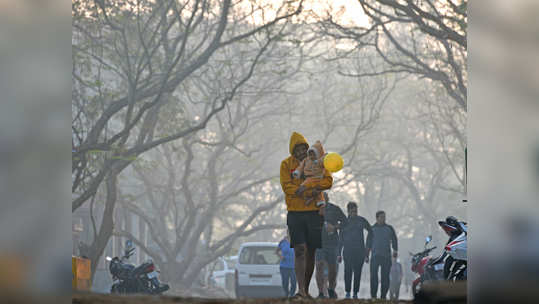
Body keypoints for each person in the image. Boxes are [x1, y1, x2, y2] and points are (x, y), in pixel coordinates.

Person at [280, 132, 333, 299]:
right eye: (298, 149)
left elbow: (328, 180)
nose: (301, 152)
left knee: (311, 251)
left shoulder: (317, 161)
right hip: (295, 213)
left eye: (304, 148)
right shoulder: (286, 165)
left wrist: (315, 189)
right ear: (292, 150)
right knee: (300, 250)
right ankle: (300, 289)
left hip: (313, 213)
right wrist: (301, 192)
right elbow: (286, 186)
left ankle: (306, 289)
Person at [314, 193, 347, 299]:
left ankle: (331, 290)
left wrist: (334, 227)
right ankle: (320, 293)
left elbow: (345, 222)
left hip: (332, 243)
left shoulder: (335, 209)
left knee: (333, 269)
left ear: (327, 199)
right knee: (319, 266)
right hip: (319, 243)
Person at [341, 201, 372, 299]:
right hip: (347, 251)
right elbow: (340, 238)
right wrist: (338, 253)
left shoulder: (361, 220)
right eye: (353, 211)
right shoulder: (344, 222)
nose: (355, 213)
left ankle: (355, 293)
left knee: (358, 272)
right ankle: (347, 292)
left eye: (356, 211)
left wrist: (367, 248)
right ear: (348, 211)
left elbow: (371, 232)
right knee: (348, 272)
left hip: (360, 252)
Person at [366, 210, 398, 299]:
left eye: (384, 217)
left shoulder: (389, 228)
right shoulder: (371, 229)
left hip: (386, 257)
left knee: (385, 278)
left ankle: (383, 295)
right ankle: (373, 296)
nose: (383, 219)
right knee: (373, 277)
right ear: (377, 218)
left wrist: (395, 250)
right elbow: (368, 243)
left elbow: (394, 240)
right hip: (375, 256)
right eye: (381, 217)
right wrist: (366, 255)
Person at [293, 140, 327, 206]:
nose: (311, 156)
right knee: (310, 188)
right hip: (309, 177)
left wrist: (326, 157)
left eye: (313, 154)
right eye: (310, 154)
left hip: (318, 178)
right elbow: (301, 167)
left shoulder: (320, 160)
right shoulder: (306, 160)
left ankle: (320, 201)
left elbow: (325, 160)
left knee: (317, 191)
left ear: (317, 154)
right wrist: (297, 172)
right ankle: (309, 198)